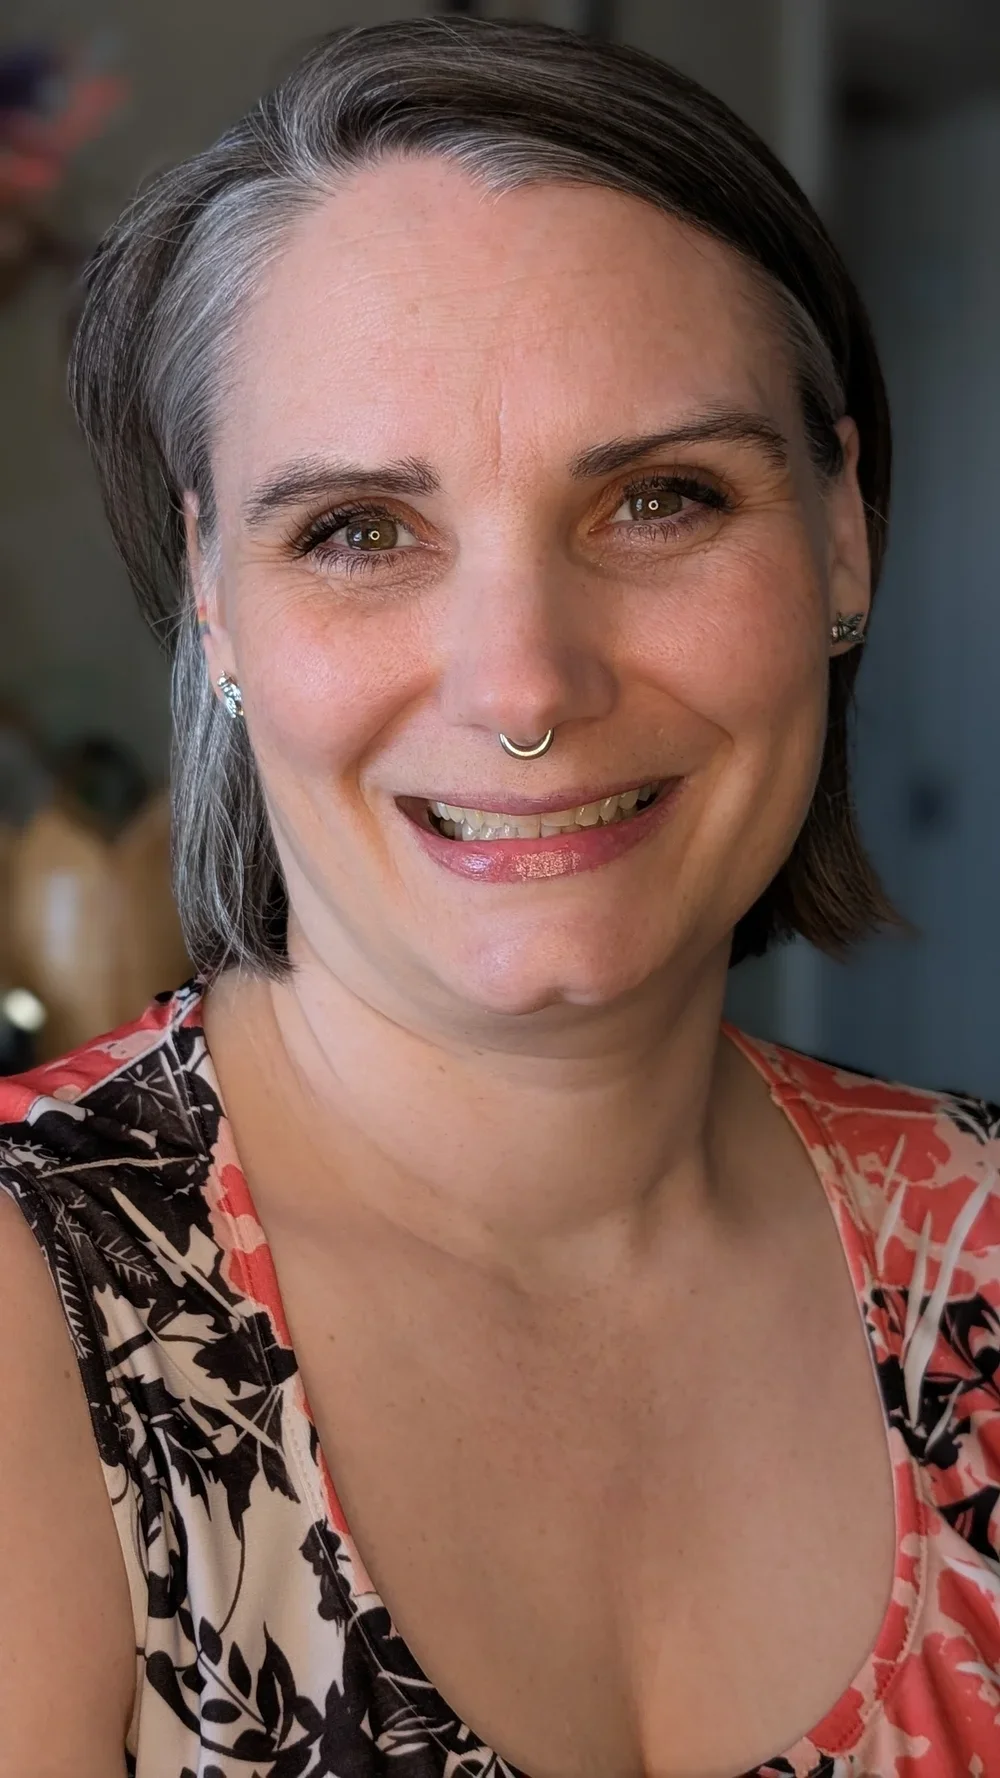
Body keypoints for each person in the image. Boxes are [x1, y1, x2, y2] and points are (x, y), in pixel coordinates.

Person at [1, 16, 997, 1777]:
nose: (525, 681)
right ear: (215, 599)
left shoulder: (982, 1247)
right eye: (361, 532)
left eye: (660, 497)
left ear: (841, 529)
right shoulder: (32, 1316)